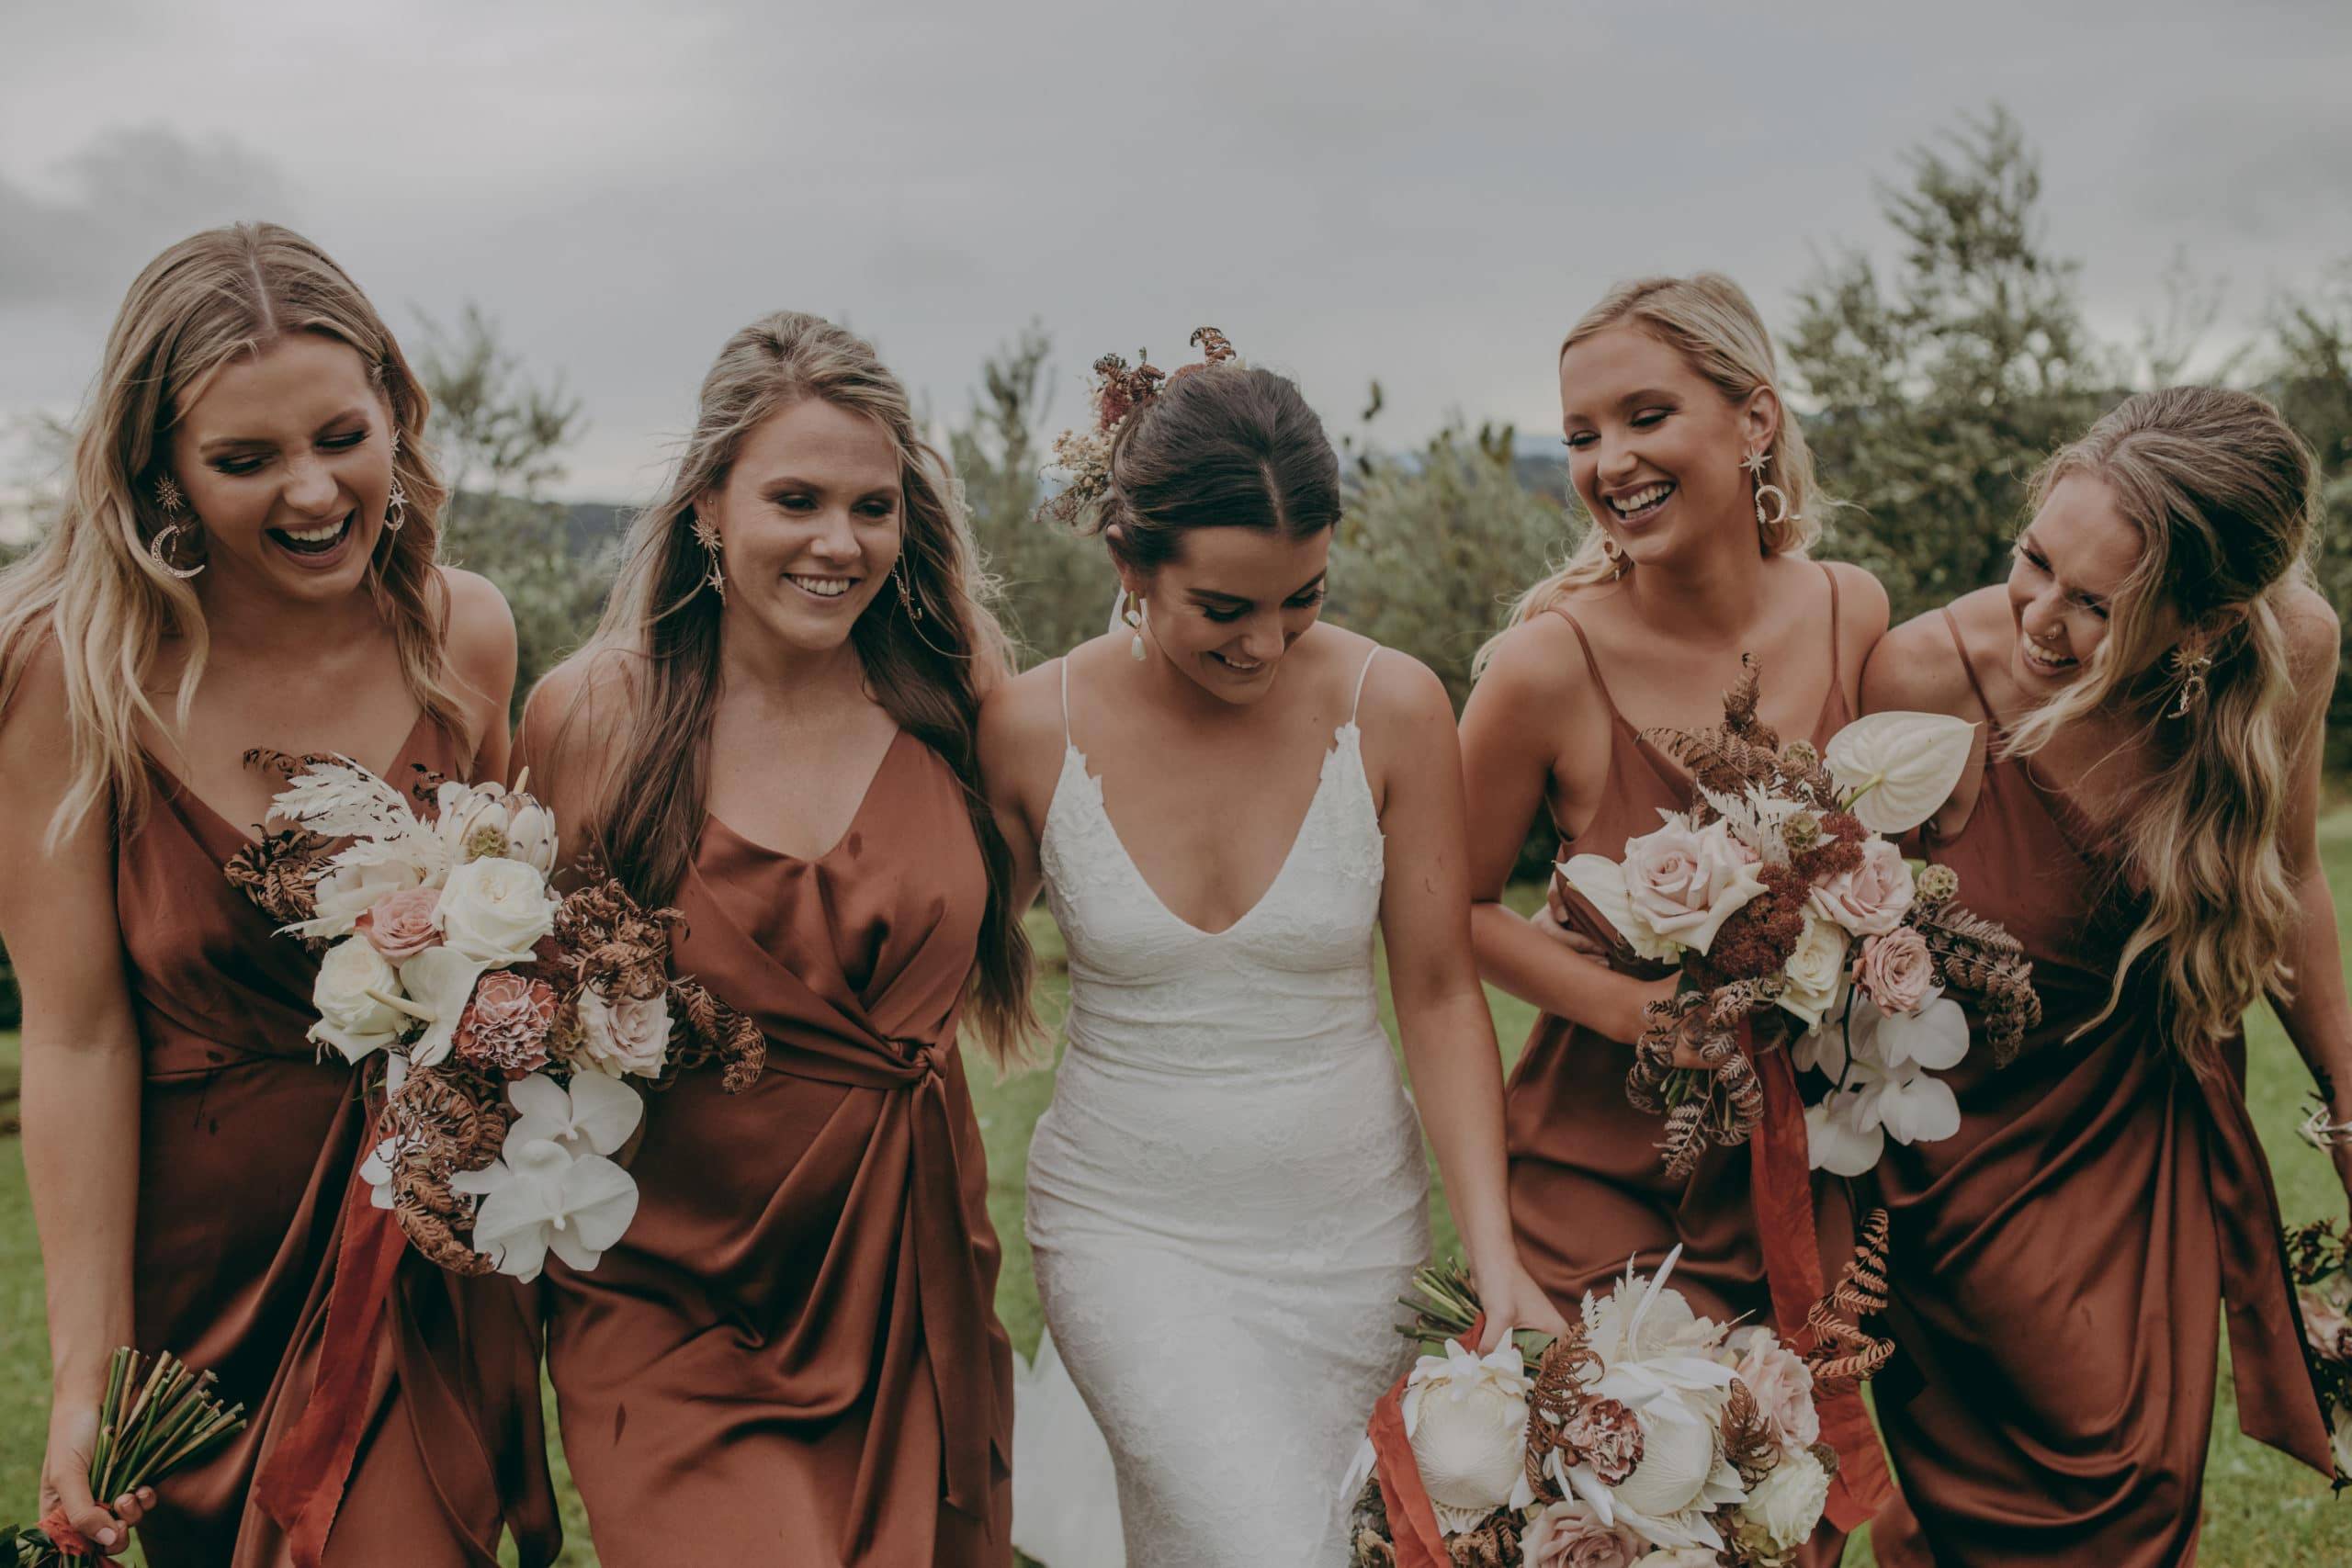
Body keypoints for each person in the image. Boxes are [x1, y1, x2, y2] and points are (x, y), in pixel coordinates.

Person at [0, 222, 554, 1565]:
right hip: (212, 1284)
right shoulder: (71, 673)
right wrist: (85, 1372)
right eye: (246, 460)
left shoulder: (460, 632)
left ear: (393, 413)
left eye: (339, 435)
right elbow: (75, 1035)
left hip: (425, 1243)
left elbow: (512, 953)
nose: (312, 491)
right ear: (163, 472)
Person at [981, 337, 1562, 1566]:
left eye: (1302, 598)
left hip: (1357, 1240)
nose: (1267, 642)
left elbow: (1446, 991)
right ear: (1129, 561)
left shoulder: (1393, 705)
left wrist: (1496, 1255)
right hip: (1126, 1234)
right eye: (1226, 608)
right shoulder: (1034, 727)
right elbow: (937, 968)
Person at [516, 310, 1026, 1566]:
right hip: (667, 1293)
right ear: (707, 505)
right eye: (795, 498)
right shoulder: (595, 716)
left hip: (906, 1278)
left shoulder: (961, 709)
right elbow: (514, 1025)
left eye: (873, 506)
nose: (836, 542)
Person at [1859, 385, 2349, 1564]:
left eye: (2096, 606)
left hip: (2143, 1114)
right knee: (1986, 1500)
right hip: (1958, 1146)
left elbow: (2288, 880)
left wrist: (2348, 1100)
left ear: (2204, 620)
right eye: (2035, 562)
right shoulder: (1925, 673)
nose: (2039, 618)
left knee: (2141, 1482)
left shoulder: (2289, 648)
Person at [1458, 273, 1889, 1546]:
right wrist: (1633, 1006)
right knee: (1602, 1514)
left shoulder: (1853, 608)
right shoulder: (1547, 664)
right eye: (1584, 434)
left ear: (1754, 419)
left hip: (1802, 1177)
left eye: (1647, 416)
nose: (1609, 460)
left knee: (1778, 1517)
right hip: (1598, 1169)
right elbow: (1447, 914)